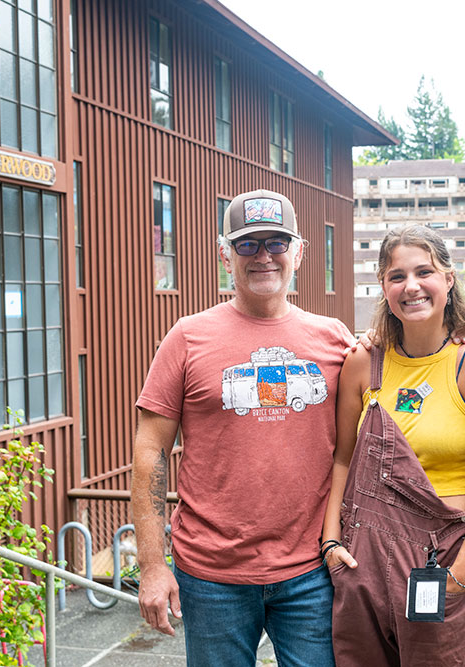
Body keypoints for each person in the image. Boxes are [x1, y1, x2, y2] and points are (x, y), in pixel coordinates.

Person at [132, 189, 354, 667]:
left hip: (312, 569)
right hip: (212, 572)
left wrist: (456, 335)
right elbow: (149, 452)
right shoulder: (187, 337)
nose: (263, 256)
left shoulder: (336, 338)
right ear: (224, 253)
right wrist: (152, 565)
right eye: (248, 244)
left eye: (276, 243)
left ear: (299, 250)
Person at [322, 224, 465, 667]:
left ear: (448, 279)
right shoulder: (362, 362)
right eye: (397, 276)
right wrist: (331, 543)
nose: (411, 287)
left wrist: (463, 572)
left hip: (441, 556)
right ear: (383, 287)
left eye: (424, 272)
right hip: (362, 556)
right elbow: (342, 461)